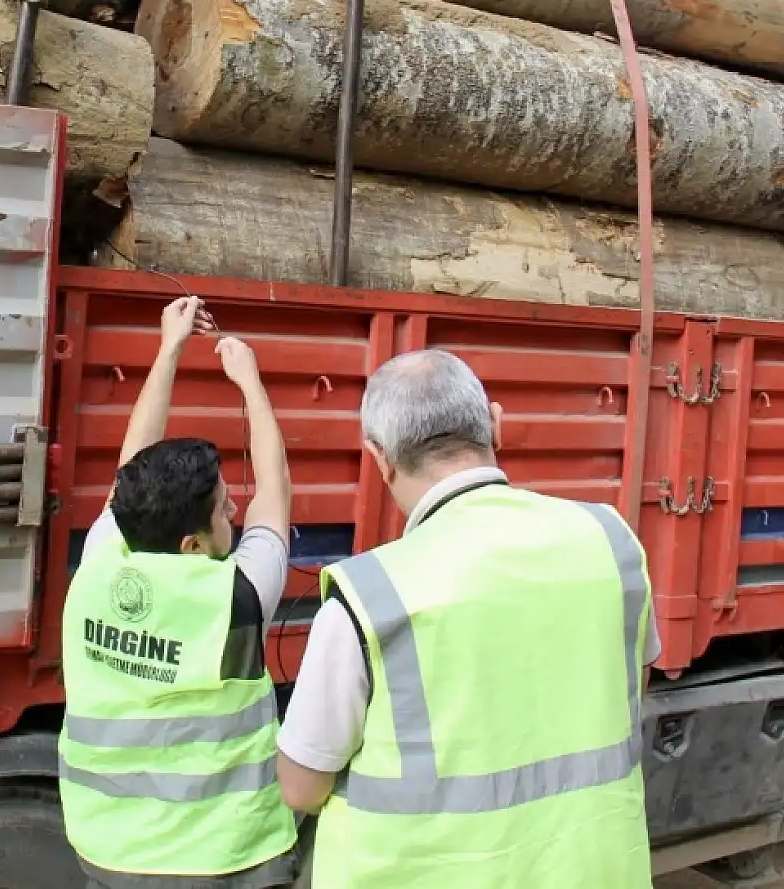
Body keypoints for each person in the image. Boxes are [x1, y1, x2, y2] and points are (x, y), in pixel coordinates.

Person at [275, 348, 657, 888]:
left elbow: (300, 788)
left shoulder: (371, 595)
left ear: (379, 458)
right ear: (496, 424)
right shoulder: (611, 543)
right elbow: (628, 693)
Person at [59, 296, 300, 888]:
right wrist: (250, 381)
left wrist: (168, 348)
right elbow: (276, 489)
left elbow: (131, 466)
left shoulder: (102, 558)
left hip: (108, 848)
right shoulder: (239, 599)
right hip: (225, 858)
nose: (235, 507)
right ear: (192, 545)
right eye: (223, 508)